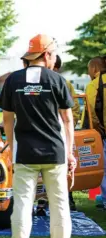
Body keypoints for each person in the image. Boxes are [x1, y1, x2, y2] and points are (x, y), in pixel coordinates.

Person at [0, 34, 76, 238]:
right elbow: (68, 120)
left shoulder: (13, 80)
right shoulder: (57, 80)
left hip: (24, 153)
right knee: (59, 204)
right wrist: (69, 153)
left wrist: (12, 150)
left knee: (22, 203)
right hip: (55, 153)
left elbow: (7, 120)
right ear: (47, 54)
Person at [53, 54, 80, 211]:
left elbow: (74, 110)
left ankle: (67, 199)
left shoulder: (64, 83)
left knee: (63, 169)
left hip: (60, 134)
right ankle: (43, 201)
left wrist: (67, 129)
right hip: (43, 134)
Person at [85, 56, 106, 210]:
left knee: (104, 168)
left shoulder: (94, 85)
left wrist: (98, 129)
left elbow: (91, 111)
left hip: (104, 131)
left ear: (94, 69)